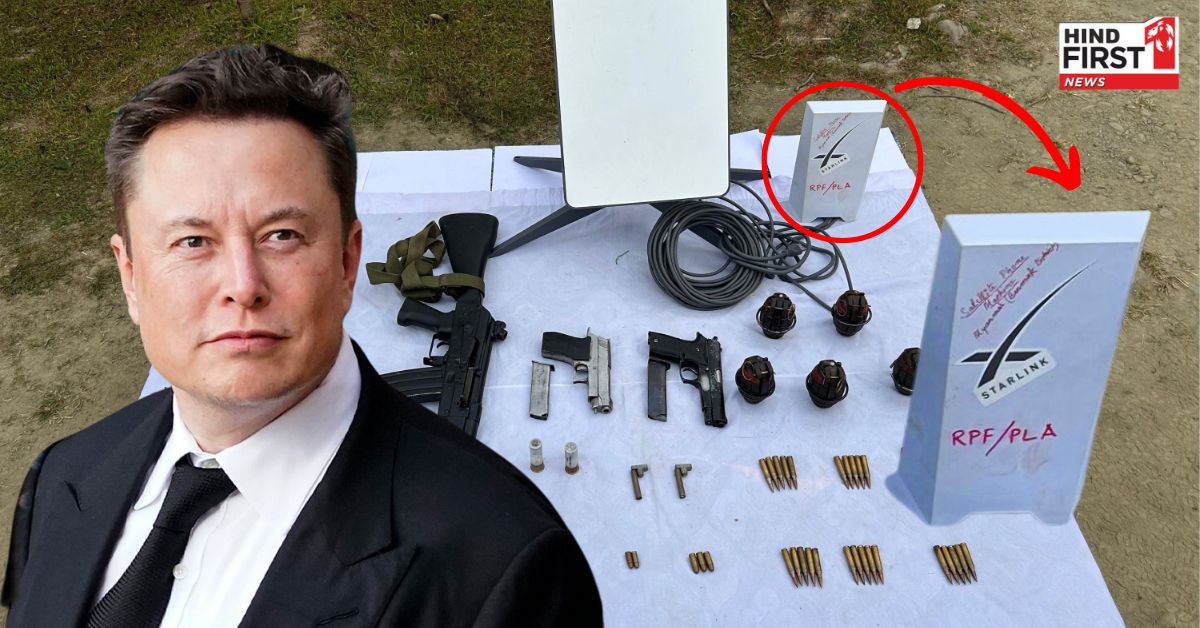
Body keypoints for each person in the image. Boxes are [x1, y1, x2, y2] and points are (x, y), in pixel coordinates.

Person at [1, 43, 603, 628]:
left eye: (282, 235)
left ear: (347, 261)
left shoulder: (503, 570)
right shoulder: (61, 475)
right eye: (192, 242)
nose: (243, 285)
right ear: (130, 277)